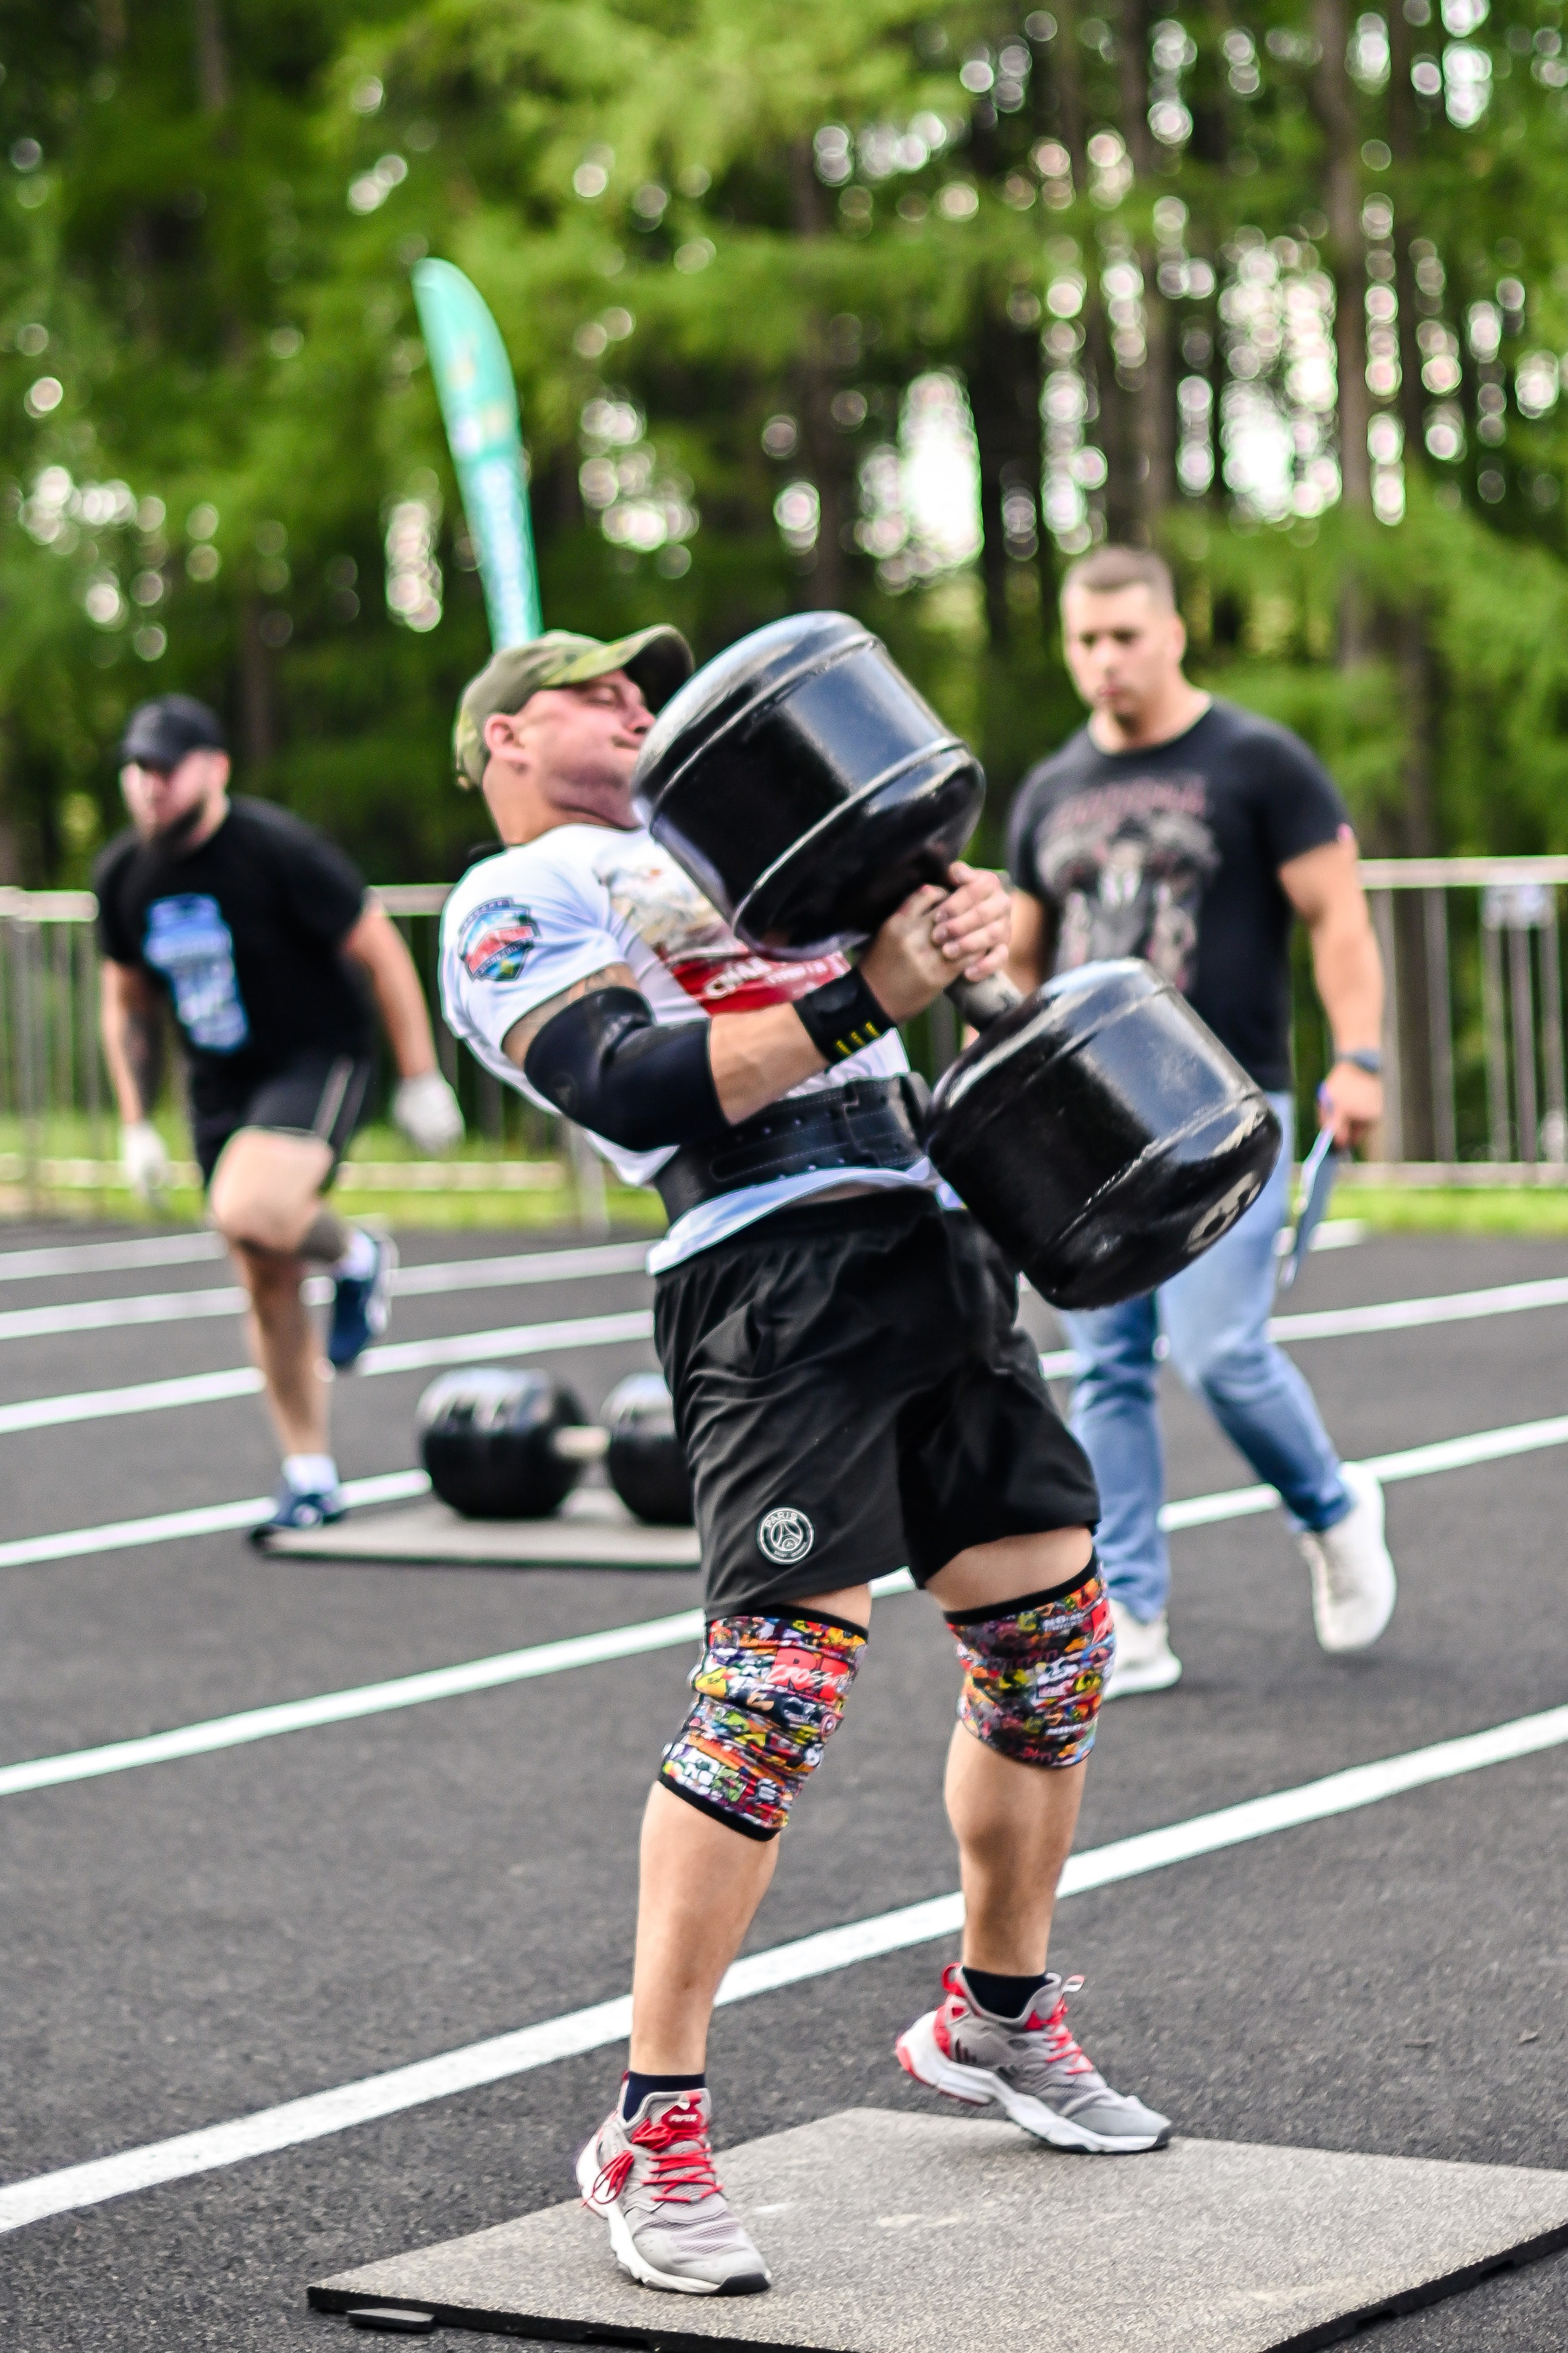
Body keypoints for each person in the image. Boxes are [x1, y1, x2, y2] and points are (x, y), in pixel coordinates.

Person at [439, 626, 1169, 2302]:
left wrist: (961, 937)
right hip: (766, 1280)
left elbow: (954, 999)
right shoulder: (516, 899)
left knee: (1055, 1650)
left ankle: (996, 2018)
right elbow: (631, 1080)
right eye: (597, 689)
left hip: (928, 1237)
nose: (638, 705)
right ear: (499, 738)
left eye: (646, 687)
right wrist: (865, 990)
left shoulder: (745, 845)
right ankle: (654, 2120)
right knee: (772, 1689)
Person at [1007, 546, 1396, 1699]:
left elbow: (1338, 921)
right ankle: (1130, 1611)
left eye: (1126, 635)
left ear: (1173, 632)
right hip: (1088, 1127)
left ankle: (1332, 1507)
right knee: (1109, 1366)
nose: (1105, 660)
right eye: (1086, 640)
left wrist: (1362, 1057)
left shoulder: (1258, 760)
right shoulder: (1049, 792)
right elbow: (1025, 961)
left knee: (1224, 1350)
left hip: (1224, 1101)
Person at [96, 692, 464, 1537]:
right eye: (137, 769)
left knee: (251, 1207)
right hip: (221, 1084)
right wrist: (134, 1124)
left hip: (316, 1055)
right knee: (262, 1270)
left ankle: (360, 1252)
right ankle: (310, 1471)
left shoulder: (276, 850)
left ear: (214, 769)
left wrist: (418, 1075)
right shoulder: (125, 875)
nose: (148, 785)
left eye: (166, 767)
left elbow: (378, 946)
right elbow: (126, 1004)